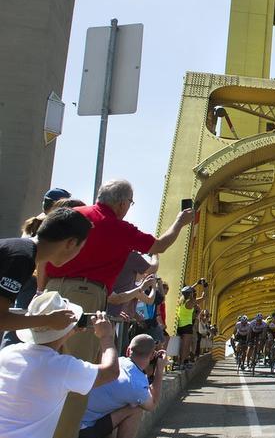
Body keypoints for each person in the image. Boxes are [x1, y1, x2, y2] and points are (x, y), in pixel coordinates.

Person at [44, 180, 195, 438]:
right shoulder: (117, 227)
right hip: (86, 296)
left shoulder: (71, 215)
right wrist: (180, 222)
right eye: (130, 203)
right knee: (78, 377)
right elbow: (159, 245)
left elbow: (42, 251)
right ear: (123, 203)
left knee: (44, 366)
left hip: (50, 294)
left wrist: (41, 289)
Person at [0, 292, 121, 438]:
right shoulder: (63, 367)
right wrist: (106, 337)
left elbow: (50, 352)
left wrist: (65, 333)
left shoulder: (7, 352)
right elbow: (111, 372)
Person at [1, 208, 92, 338]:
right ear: (71, 243)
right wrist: (49, 320)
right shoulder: (22, 258)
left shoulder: (21, 251)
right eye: (80, 248)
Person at [78, 334, 167, 438]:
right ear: (152, 356)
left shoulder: (117, 361)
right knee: (135, 408)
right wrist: (159, 369)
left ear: (128, 350)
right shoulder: (137, 385)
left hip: (74, 420)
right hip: (84, 430)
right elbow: (152, 404)